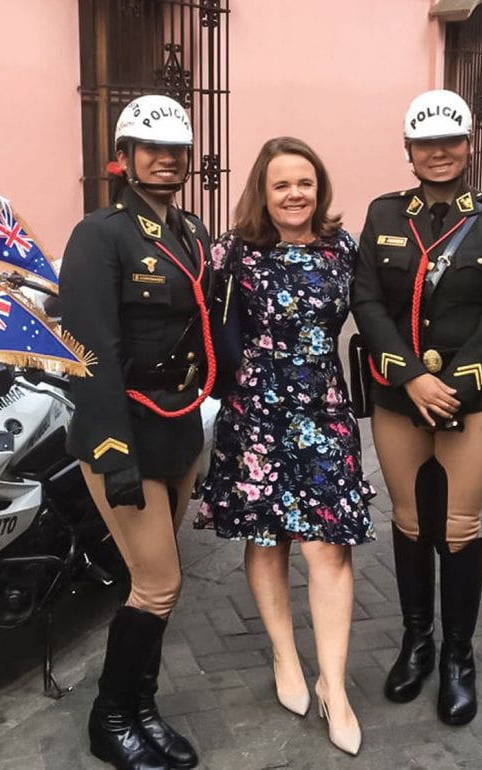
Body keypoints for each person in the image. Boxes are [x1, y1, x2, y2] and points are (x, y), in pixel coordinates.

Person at [352, 89, 482, 726]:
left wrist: (454, 383)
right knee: (407, 522)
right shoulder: (384, 214)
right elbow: (367, 301)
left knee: (456, 527)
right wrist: (409, 379)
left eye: (449, 141)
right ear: (409, 150)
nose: (438, 152)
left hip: (473, 397)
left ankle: (458, 656)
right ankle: (416, 641)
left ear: (468, 144)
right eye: (425, 143)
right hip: (401, 398)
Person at [194, 136, 375, 756]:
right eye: (281, 185)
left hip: (324, 414)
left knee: (328, 551)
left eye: (304, 182)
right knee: (267, 539)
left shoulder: (342, 249)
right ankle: (283, 658)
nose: (294, 194)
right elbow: (190, 320)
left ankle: (336, 685)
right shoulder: (232, 252)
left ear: (319, 187)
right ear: (262, 193)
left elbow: (379, 313)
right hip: (255, 416)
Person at [61, 93, 215, 770]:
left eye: (176, 150)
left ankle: (142, 704)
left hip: (177, 428)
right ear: (122, 158)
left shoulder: (192, 232)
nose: (165, 160)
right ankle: (110, 718)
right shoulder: (100, 234)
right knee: (157, 583)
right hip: (123, 432)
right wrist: (113, 452)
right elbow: (87, 349)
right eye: (150, 149)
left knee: (160, 579)